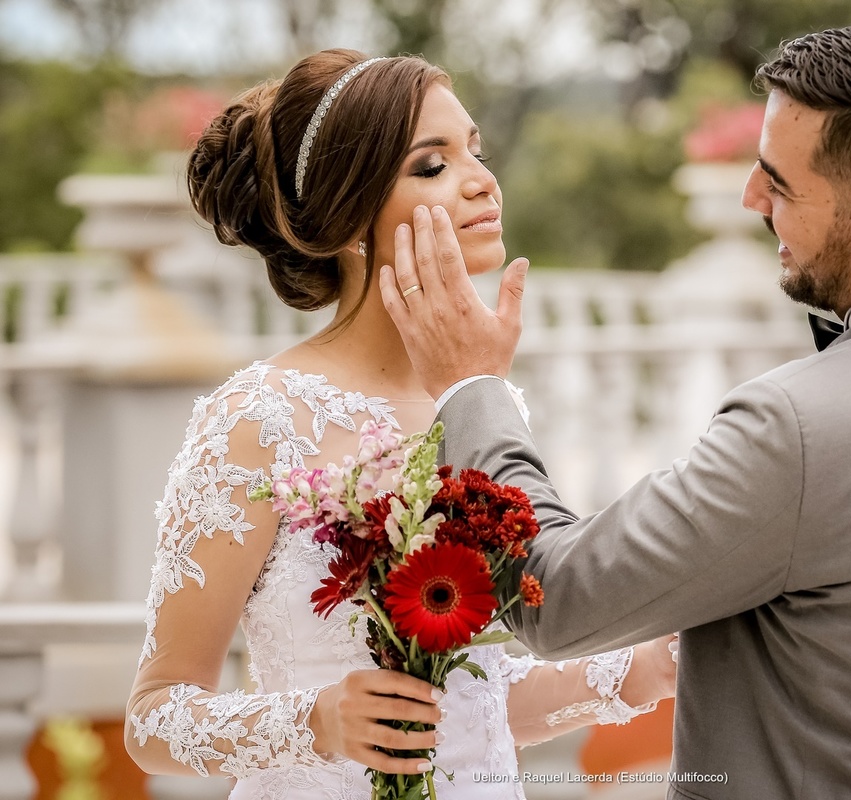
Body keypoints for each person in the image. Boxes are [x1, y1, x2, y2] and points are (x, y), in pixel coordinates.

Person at [381, 20, 851, 800]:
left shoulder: (799, 425)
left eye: (778, 183)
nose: (752, 198)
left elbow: (557, 600)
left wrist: (469, 388)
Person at [124, 49, 677, 800]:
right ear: (352, 212)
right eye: (432, 166)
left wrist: (641, 671)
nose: (484, 181)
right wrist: (314, 722)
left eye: (476, 151)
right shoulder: (258, 421)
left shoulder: (488, 408)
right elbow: (154, 721)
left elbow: (472, 707)